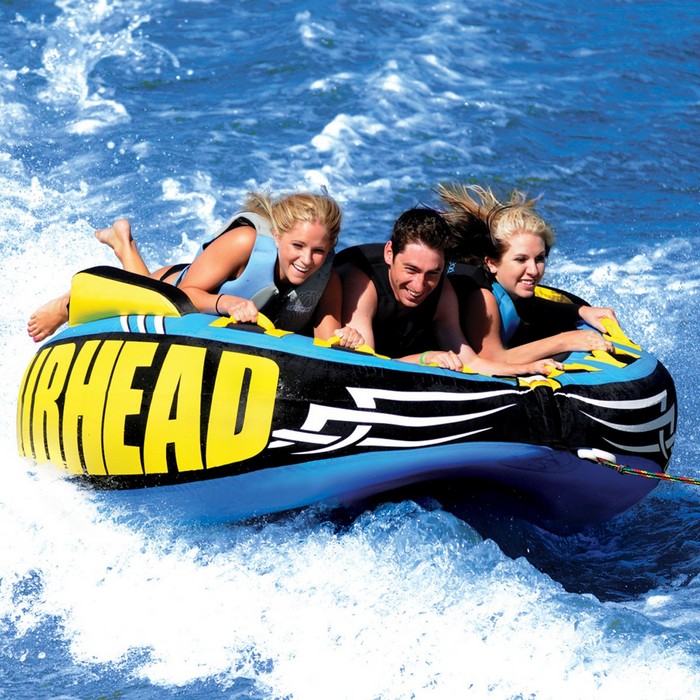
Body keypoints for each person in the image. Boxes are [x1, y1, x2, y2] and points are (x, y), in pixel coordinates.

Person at [28, 190, 365, 348]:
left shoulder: (327, 280)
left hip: (196, 311)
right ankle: (66, 303)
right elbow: (182, 294)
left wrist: (345, 338)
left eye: (318, 251)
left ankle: (123, 242)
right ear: (277, 236)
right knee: (135, 295)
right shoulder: (245, 242)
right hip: (174, 288)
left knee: (140, 284)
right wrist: (226, 303)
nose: (306, 259)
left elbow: (327, 337)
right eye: (298, 246)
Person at [334, 206, 561, 376]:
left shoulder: (443, 293)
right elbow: (366, 366)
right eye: (411, 270)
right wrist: (425, 358)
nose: (419, 286)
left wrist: (528, 368)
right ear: (389, 253)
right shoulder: (362, 282)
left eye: (433, 273)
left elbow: (471, 362)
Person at [437, 183, 618, 364]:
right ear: (492, 263)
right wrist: (566, 340)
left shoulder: (512, 290)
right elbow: (492, 359)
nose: (533, 270)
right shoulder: (481, 297)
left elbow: (535, 307)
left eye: (539, 258)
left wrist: (581, 311)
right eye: (521, 259)